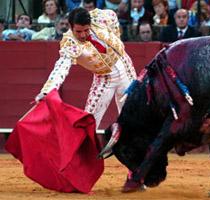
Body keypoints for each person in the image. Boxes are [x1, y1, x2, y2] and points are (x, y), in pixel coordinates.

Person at [34, 7, 138, 192]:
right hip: (103, 78)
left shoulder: (101, 17)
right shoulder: (69, 43)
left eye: (86, 30)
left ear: (91, 23)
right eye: (78, 31)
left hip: (125, 68)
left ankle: (135, 173)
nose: (82, 35)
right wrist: (47, 91)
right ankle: (77, 174)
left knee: (134, 122)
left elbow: (113, 16)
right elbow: (62, 66)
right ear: (71, 27)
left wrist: (116, 40)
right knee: (87, 123)